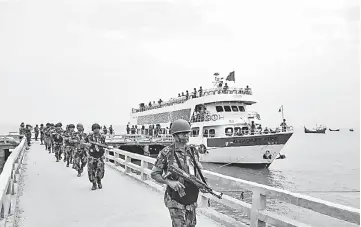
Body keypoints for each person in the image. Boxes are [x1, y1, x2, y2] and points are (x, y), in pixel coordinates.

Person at [151, 119, 206, 227]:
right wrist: (169, 182)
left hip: (191, 197)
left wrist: (202, 183)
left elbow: (196, 171)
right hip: (175, 199)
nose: (186, 136)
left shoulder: (192, 151)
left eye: (188, 133)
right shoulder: (166, 152)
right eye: (183, 133)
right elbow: (154, 174)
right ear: (175, 136)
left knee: (191, 225)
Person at [85, 123, 106, 190]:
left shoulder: (102, 137)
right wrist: (89, 147)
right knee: (91, 171)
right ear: (93, 129)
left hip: (100, 156)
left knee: (100, 170)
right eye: (95, 129)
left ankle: (99, 181)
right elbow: (83, 143)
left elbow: (104, 144)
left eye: (97, 128)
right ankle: (94, 183)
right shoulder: (89, 137)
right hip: (91, 156)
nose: (96, 130)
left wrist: (102, 147)